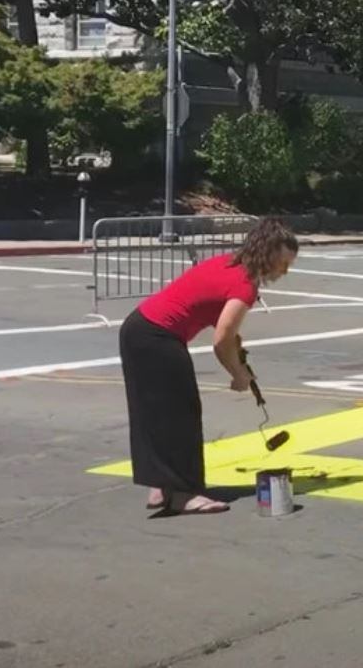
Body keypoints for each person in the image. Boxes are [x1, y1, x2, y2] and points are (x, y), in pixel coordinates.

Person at [118, 218, 299, 515]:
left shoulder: (228, 264)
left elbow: (225, 328)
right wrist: (238, 375)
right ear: (267, 254)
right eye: (283, 263)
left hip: (138, 328)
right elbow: (221, 340)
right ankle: (185, 495)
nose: (284, 271)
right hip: (158, 337)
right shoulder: (244, 285)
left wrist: (237, 354)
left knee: (155, 414)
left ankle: (161, 486)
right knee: (182, 416)